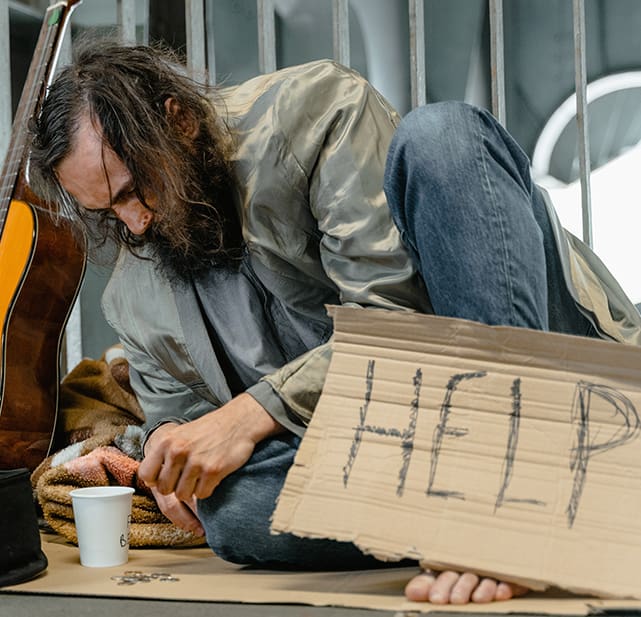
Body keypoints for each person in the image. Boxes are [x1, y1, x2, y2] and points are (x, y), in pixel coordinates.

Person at [28, 39, 641, 605]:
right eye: (107, 212)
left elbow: (402, 320)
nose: (135, 224)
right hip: (407, 443)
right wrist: (174, 460)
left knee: (442, 136)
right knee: (233, 512)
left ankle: (515, 497)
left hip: (551, 375)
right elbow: (194, 442)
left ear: (178, 122)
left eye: (136, 190)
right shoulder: (133, 299)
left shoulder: (315, 112)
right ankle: (559, 504)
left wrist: (251, 413)